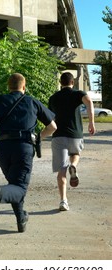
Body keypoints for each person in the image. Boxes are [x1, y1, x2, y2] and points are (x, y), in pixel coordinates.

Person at [0, 73, 57, 232]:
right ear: (24, 86)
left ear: (8, 86)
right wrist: (38, 138)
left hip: (2, 149)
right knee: (19, 187)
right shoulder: (32, 102)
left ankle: (21, 219)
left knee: (15, 185)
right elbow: (53, 127)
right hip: (23, 148)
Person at [48, 72, 95, 211]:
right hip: (75, 134)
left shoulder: (53, 98)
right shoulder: (77, 94)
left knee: (61, 171)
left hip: (58, 135)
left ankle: (63, 201)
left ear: (60, 83)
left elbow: (49, 118)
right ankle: (73, 165)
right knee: (75, 154)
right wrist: (91, 122)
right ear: (72, 82)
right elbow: (89, 102)